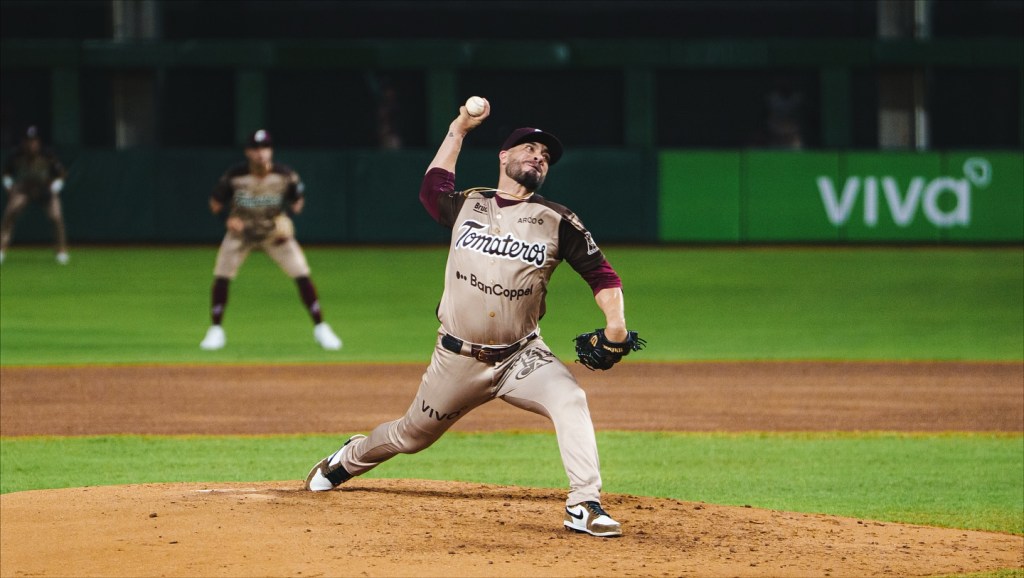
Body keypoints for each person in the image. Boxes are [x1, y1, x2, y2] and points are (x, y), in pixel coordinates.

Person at [304, 99, 640, 538]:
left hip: (522, 357)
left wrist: (616, 325)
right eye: (528, 148)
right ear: (503, 157)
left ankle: (584, 504)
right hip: (458, 359)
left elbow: (603, 276)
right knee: (411, 436)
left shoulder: (557, 220)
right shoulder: (469, 204)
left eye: (545, 155)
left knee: (570, 399)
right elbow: (431, 189)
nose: (537, 156)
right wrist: (458, 129)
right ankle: (348, 459)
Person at [199, 129, 342, 351]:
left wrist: (288, 220)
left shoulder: (284, 175)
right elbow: (215, 204)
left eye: (264, 147)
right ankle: (216, 330)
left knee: (302, 273)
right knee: (221, 275)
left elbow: (297, 202)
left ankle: (321, 328)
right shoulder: (235, 176)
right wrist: (226, 220)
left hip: (273, 234)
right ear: (248, 151)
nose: (260, 153)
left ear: (270, 150)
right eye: (255, 148)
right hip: (241, 234)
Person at [0, 126, 69, 265]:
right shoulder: (16, 154)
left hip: (44, 190)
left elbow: (62, 174)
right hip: (24, 189)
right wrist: (8, 185)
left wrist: (56, 186)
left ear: (38, 142)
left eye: (34, 141)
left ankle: (61, 251)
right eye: (28, 141)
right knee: (10, 213)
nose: (31, 144)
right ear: (23, 142)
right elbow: (6, 173)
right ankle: (1, 250)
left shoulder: (48, 154)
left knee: (56, 217)